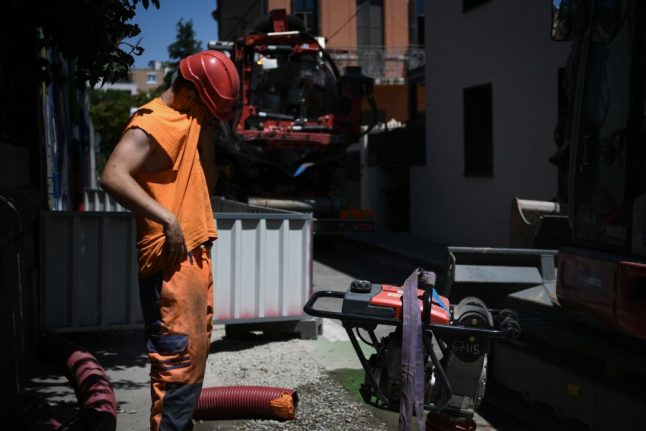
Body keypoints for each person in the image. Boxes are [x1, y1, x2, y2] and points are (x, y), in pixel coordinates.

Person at [100, 50, 239, 431]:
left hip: (193, 257)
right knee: (176, 367)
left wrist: (208, 132)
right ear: (193, 92)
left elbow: (205, 184)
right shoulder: (152, 124)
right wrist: (166, 217)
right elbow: (112, 175)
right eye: (211, 109)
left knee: (192, 360)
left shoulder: (190, 121)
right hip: (169, 264)